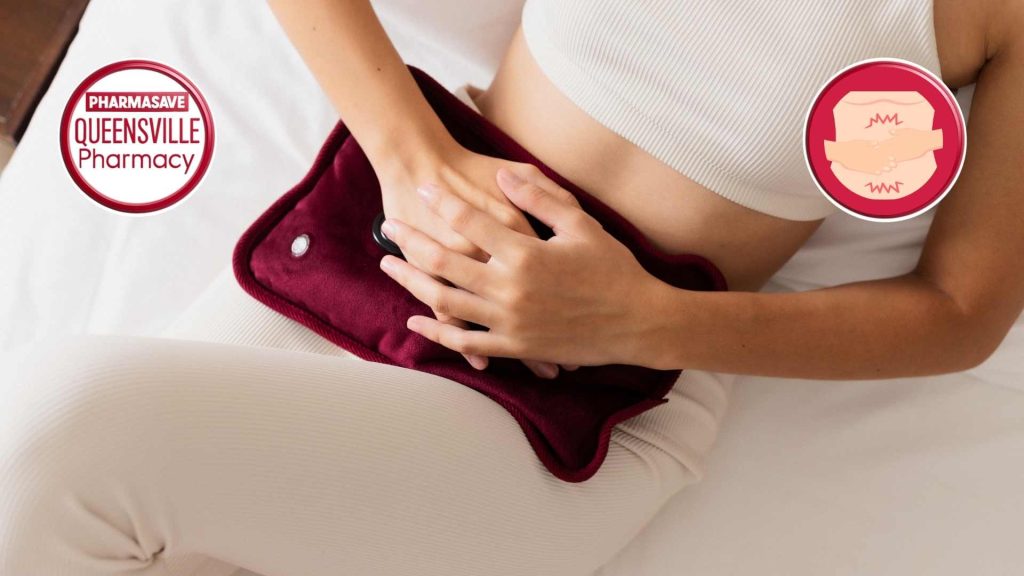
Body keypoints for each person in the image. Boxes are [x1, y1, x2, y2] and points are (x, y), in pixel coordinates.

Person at [2, 1, 1022, 575]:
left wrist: (642, 316)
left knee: (62, 430)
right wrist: (412, 161)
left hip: (592, 407)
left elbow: (960, 315)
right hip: (378, 261)